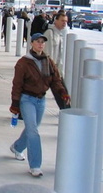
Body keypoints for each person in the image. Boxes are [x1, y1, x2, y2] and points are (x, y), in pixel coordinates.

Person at [9, 33, 70, 177]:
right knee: (33, 132)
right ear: (31, 43)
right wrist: (15, 104)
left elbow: (56, 80)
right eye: (37, 41)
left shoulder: (48, 61)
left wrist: (62, 93)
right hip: (27, 99)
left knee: (32, 129)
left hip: (41, 100)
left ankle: (17, 147)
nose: (40, 44)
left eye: (42, 42)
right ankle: (35, 166)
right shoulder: (23, 63)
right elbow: (17, 85)